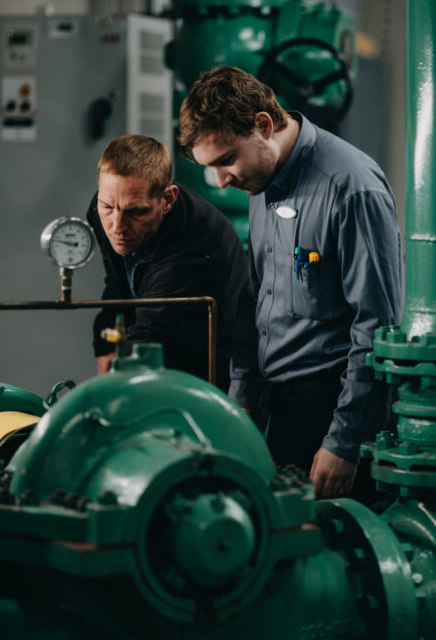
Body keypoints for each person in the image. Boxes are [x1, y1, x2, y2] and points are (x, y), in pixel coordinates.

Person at [178, 67, 403, 500]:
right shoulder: (262, 181)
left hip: (330, 408)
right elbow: (255, 298)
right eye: (210, 168)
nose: (221, 180)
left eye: (225, 160)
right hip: (277, 409)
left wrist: (344, 441)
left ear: (263, 125)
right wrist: (240, 398)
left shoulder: (350, 187)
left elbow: (377, 326)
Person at [87, 134, 247, 390]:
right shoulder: (100, 211)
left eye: (135, 211)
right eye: (108, 206)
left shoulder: (197, 243)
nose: (117, 226)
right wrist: (105, 340)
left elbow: (152, 336)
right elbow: (117, 281)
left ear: (168, 200)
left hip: (215, 371)